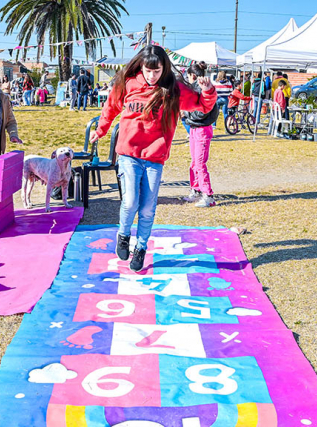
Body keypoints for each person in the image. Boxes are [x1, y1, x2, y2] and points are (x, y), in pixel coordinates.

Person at [89, 45, 217, 272]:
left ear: (164, 68)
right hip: (128, 153)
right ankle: (123, 234)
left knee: (148, 208)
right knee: (130, 202)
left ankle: (140, 248)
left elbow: (202, 105)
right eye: (148, 71)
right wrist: (99, 130)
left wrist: (208, 90)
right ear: (141, 67)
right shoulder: (128, 83)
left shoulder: (173, 89)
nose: (151, 76)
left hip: (154, 157)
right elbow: (110, 108)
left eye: (156, 71)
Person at [182, 62, 219, 208]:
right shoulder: (194, 89)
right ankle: (196, 189)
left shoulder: (204, 90)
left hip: (202, 129)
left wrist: (187, 115)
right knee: (194, 162)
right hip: (195, 128)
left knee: (199, 163)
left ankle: (208, 195)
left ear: (193, 75)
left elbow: (203, 111)